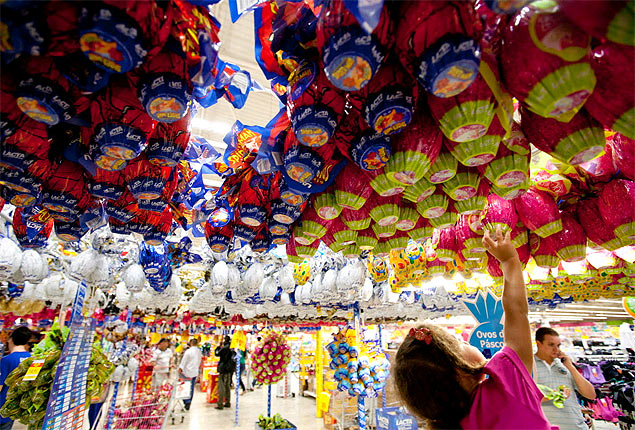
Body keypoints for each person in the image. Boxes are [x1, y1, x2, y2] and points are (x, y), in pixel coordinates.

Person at [393, 226, 556, 429]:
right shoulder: (507, 387)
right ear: (459, 371)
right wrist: (510, 261)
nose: (465, 340)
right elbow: (517, 312)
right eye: (459, 342)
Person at [534, 327, 597, 430]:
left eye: (558, 345)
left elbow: (591, 395)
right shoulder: (529, 366)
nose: (556, 349)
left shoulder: (565, 365)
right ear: (538, 344)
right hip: (546, 426)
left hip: (576, 426)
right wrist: (553, 396)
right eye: (551, 345)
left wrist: (571, 367)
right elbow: (523, 400)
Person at [0, 326, 33, 430]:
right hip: (15, 406)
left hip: (2, 405)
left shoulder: (6, 360)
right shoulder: (32, 359)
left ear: (12, 339)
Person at [178, 338, 202, 410]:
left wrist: (180, 368)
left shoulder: (188, 351)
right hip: (195, 371)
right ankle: (189, 401)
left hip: (187, 372)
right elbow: (199, 360)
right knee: (191, 388)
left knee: (185, 386)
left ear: (191, 343)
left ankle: (186, 401)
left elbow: (184, 360)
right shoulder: (199, 351)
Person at [214, 335, 235, 410]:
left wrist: (218, 347)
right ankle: (227, 402)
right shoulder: (232, 348)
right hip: (229, 369)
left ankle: (220, 404)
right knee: (227, 385)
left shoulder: (224, 348)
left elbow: (216, 354)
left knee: (221, 386)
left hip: (223, 369)